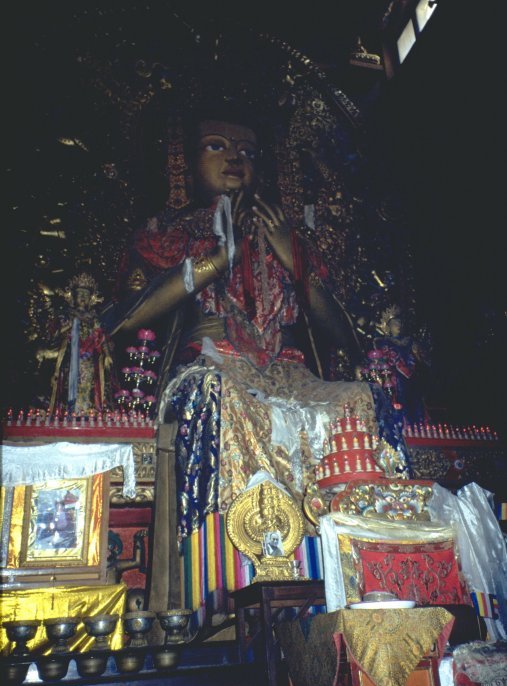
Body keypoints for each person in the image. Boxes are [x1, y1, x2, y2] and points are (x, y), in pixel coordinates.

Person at [102, 99, 407, 627]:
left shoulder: (283, 231)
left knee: (358, 398)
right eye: (216, 147)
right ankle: (228, 578)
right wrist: (208, 266)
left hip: (286, 369)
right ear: (183, 159)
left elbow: (344, 339)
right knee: (220, 396)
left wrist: (295, 256)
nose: (235, 160)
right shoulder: (165, 230)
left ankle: (360, 569)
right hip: (213, 362)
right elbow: (123, 320)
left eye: (247, 150)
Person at [35, 272, 115, 416]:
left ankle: (87, 411)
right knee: (67, 385)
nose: (83, 297)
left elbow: (101, 338)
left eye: (86, 294)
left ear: (91, 298)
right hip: (70, 358)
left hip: (89, 359)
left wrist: (107, 355)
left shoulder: (94, 318)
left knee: (89, 385)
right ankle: (66, 411)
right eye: (79, 294)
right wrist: (68, 326)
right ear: (72, 296)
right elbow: (54, 334)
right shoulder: (66, 315)